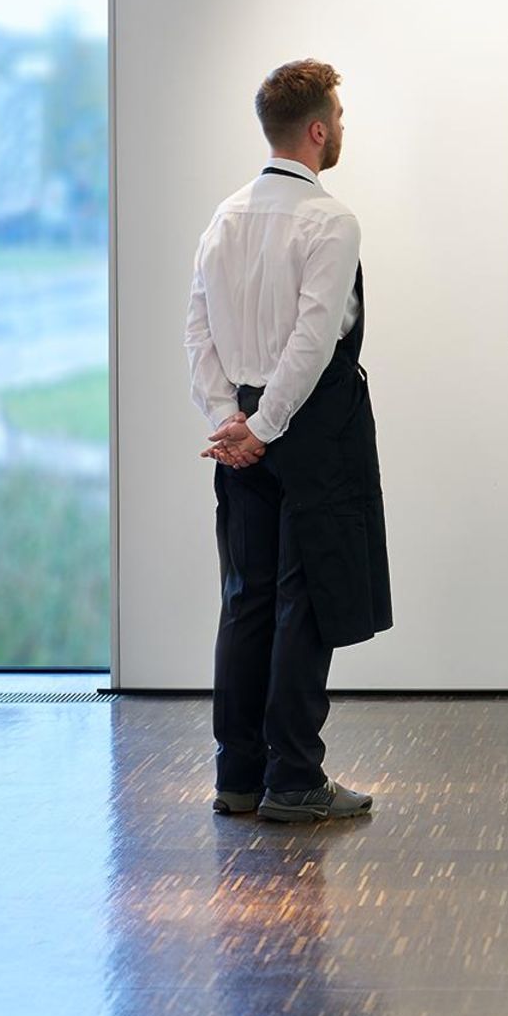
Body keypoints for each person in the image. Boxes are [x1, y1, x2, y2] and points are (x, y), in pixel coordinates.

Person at [183, 58, 393, 822]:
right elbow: (312, 342)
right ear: (316, 129)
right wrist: (266, 427)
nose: (342, 128)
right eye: (338, 116)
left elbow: (198, 329)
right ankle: (296, 778)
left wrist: (228, 422)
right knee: (305, 601)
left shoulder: (225, 216)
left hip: (243, 426)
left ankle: (239, 775)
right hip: (305, 429)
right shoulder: (331, 220)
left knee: (246, 599)